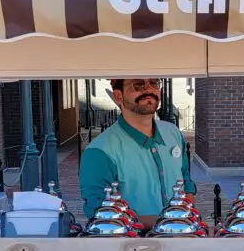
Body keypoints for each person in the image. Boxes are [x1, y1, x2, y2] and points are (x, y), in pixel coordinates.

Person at [79, 78, 196, 223]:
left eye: (154, 83)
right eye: (138, 85)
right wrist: (164, 223)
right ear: (118, 96)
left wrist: (187, 213)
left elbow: (185, 178)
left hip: (181, 234)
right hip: (131, 241)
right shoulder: (99, 151)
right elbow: (98, 211)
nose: (149, 89)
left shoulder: (173, 133)